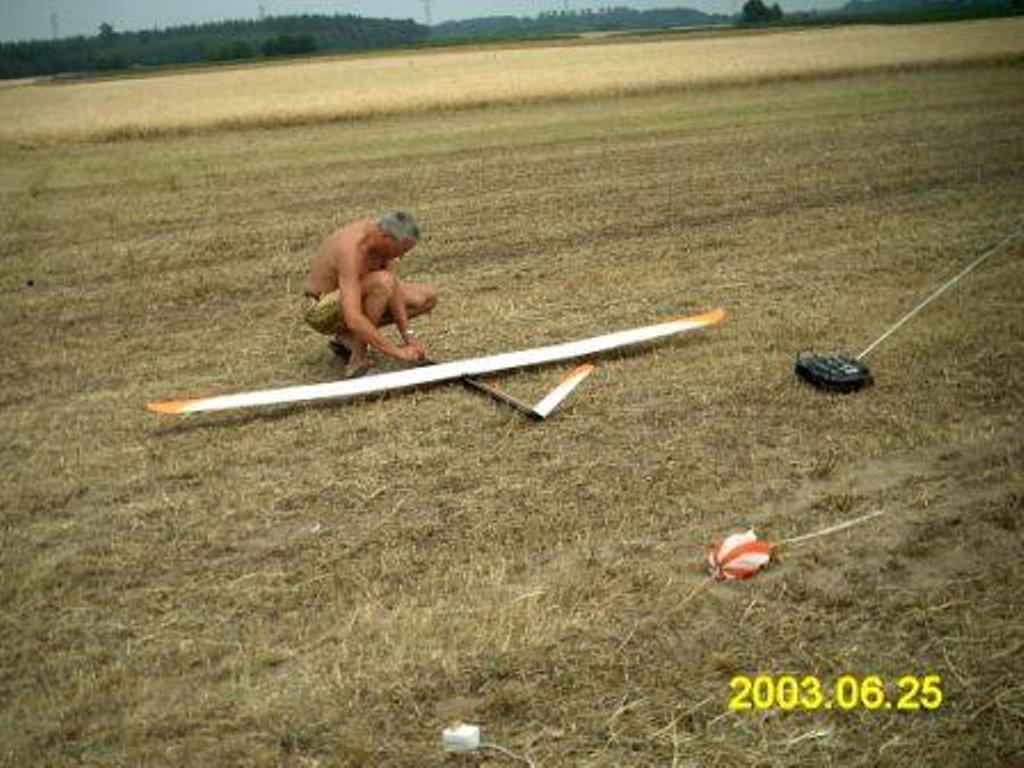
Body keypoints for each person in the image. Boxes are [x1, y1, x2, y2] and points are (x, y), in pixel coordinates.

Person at [303, 210, 436, 378]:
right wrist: (396, 353)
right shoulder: (352, 248)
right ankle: (357, 360)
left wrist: (409, 337)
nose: (401, 257)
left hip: (354, 298)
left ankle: (349, 337)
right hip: (319, 309)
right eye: (400, 250)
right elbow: (353, 316)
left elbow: (393, 290)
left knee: (426, 297)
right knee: (381, 283)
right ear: (386, 237)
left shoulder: (381, 244)